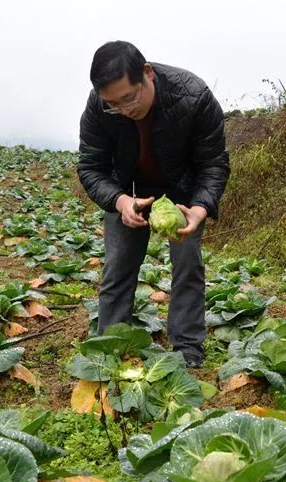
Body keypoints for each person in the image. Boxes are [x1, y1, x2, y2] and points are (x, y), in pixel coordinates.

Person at [78, 41, 229, 367]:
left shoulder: (193, 96)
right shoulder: (100, 107)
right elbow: (90, 167)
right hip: (127, 190)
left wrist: (200, 208)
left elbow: (214, 163)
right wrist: (119, 201)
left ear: (147, 74)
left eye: (129, 98)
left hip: (182, 192)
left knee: (188, 264)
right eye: (113, 104)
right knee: (117, 266)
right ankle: (111, 349)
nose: (124, 109)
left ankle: (187, 351)